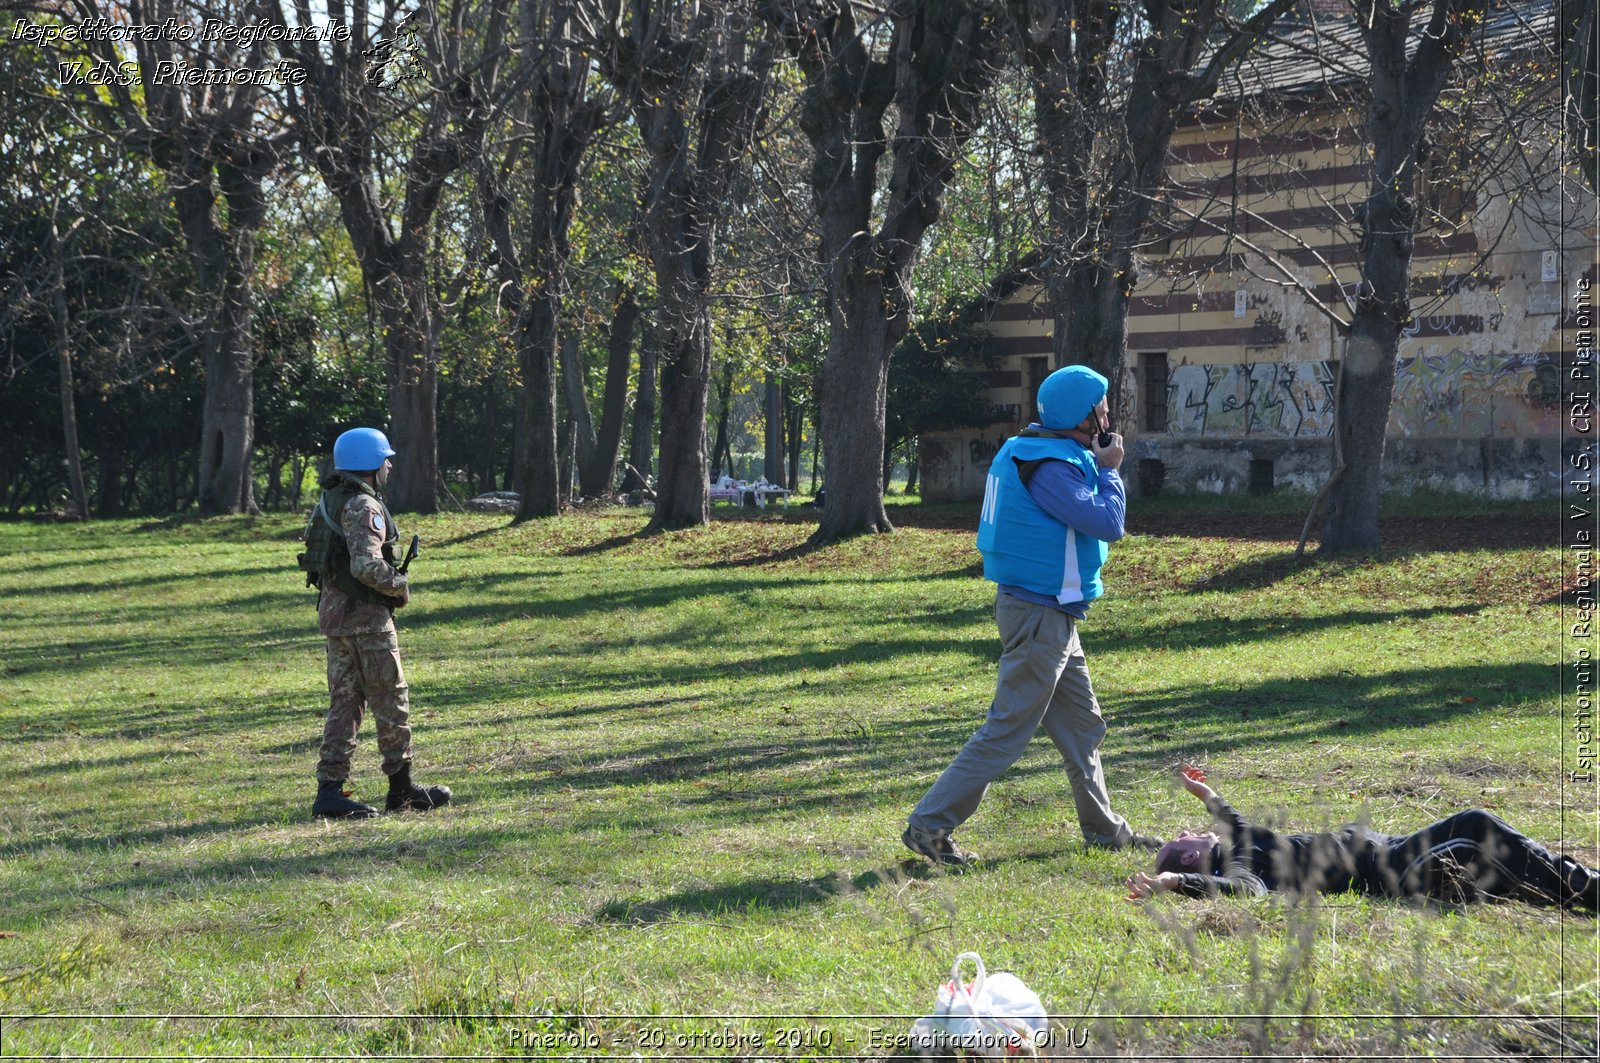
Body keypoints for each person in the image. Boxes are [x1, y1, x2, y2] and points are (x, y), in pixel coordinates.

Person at [903, 365, 1161, 865]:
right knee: (1006, 729)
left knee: (1083, 726)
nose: (1108, 415)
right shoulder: (1050, 466)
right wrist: (1110, 469)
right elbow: (1107, 523)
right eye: (1102, 408)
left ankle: (1106, 832)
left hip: (1052, 613)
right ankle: (929, 826)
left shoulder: (1043, 451)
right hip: (1039, 616)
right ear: (1079, 416)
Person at [1125, 765, 1599, 911]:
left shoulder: (1243, 842)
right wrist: (1172, 881)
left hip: (1397, 845)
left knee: (1495, 846)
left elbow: (1227, 816)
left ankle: (1575, 882)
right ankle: (1585, 888)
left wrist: (1203, 791)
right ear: (1192, 855)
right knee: (1476, 832)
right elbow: (1244, 892)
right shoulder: (1240, 868)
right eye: (1185, 836)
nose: (1192, 830)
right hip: (1393, 868)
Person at [298, 427, 451, 819]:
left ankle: (329, 792)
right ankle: (402, 790)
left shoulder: (331, 498)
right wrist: (399, 586)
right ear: (369, 463)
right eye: (385, 458)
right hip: (366, 620)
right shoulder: (364, 507)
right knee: (391, 700)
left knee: (344, 706)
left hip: (335, 618)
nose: (390, 464)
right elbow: (366, 565)